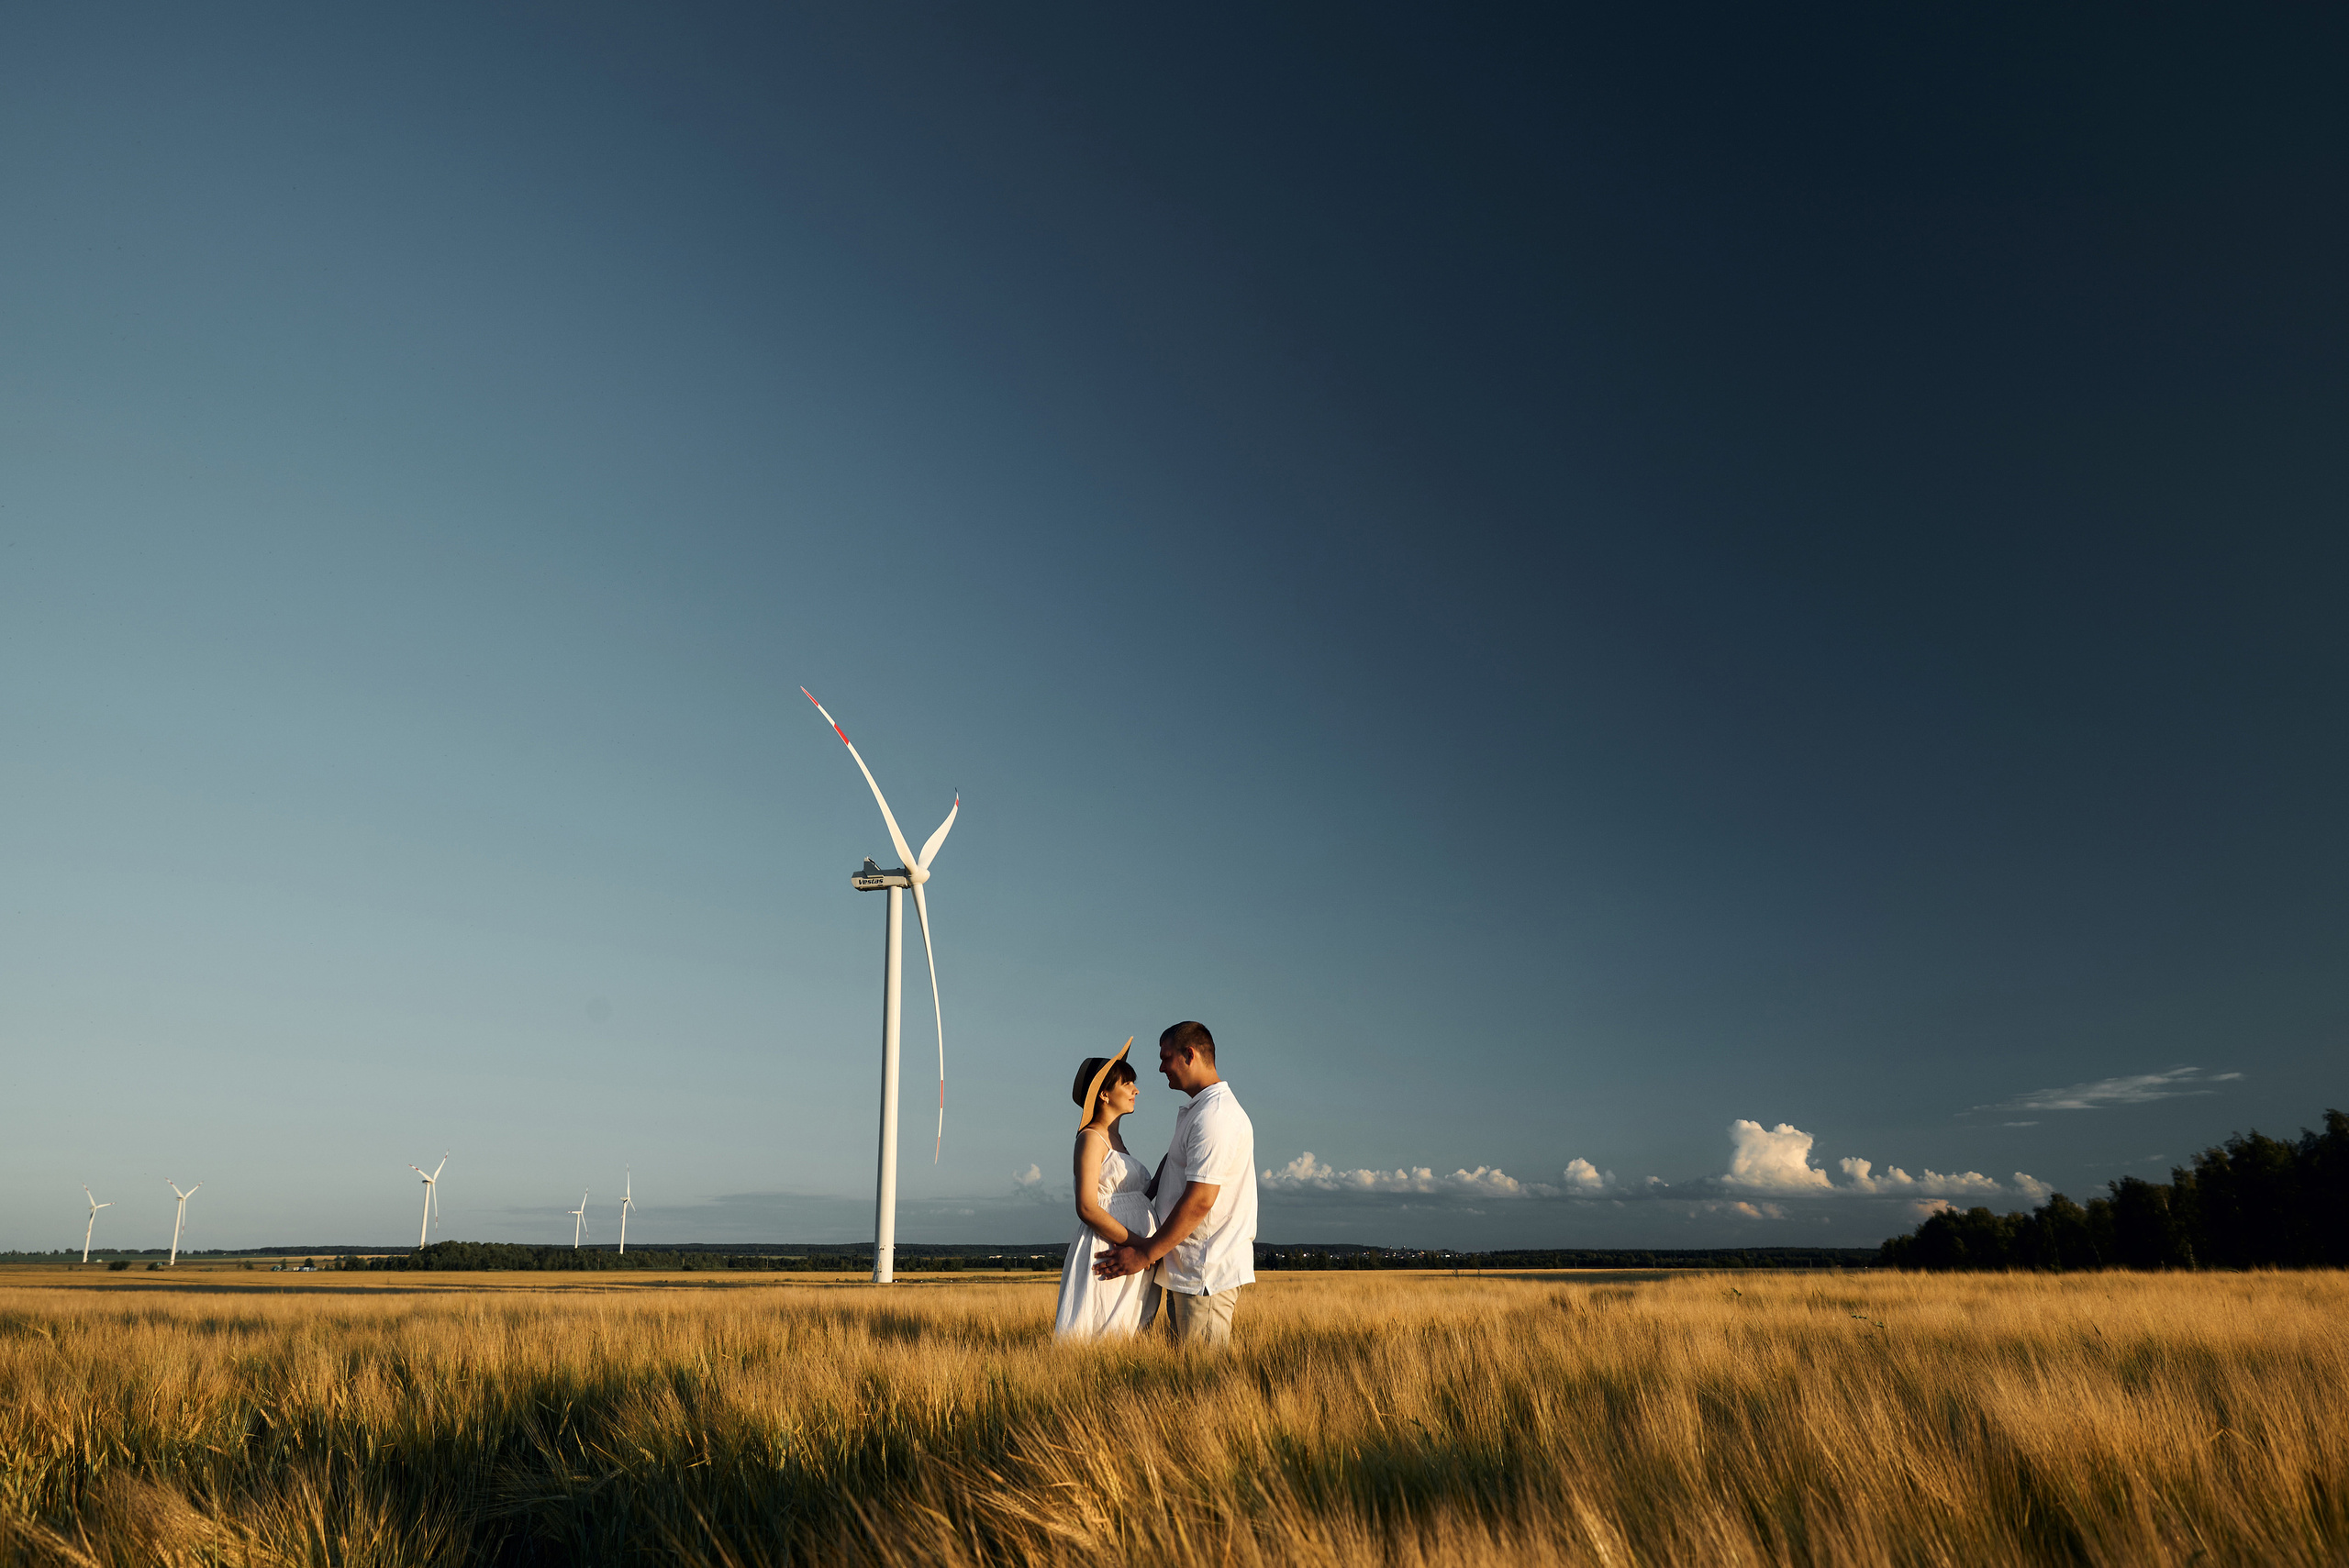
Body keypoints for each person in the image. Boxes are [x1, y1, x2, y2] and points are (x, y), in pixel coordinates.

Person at [1094, 1020, 1255, 1347]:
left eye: (1166, 1057)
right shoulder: (1201, 1112)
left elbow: (1201, 1200)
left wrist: (1145, 1254)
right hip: (1188, 1270)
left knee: (1203, 1382)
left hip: (1204, 1273)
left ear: (1189, 1054)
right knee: (1187, 1379)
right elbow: (1177, 1169)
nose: (1160, 1067)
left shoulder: (1215, 1117)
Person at [1052, 1039, 1161, 1340]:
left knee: (1129, 1333)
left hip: (1133, 1252)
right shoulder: (1090, 1139)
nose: (1135, 1090)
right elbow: (1087, 1206)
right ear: (1103, 1094)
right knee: (1103, 1331)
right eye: (1127, 1084)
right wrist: (1140, 1245)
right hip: (1110, 1251)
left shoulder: (1119, 1142)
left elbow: (1135, 1198)